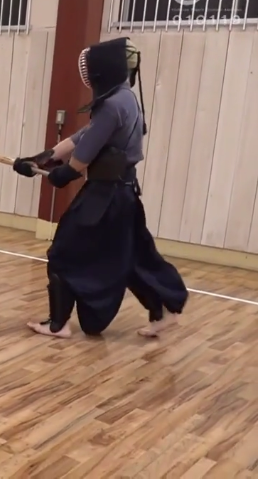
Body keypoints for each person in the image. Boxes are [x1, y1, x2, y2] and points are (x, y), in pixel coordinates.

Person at [13, 37, 188, 339]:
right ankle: (162, 311)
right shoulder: (125, 97)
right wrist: (43, 158)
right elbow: (83, 136)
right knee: (131, 256)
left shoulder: (111, 105)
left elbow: (83, 154)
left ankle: (58, 324)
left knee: (62, 252)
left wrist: (62, 173)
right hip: (124, 194)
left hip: (105, 197)